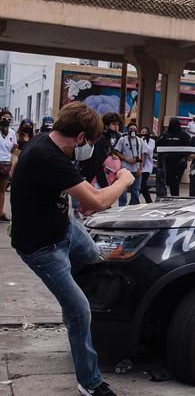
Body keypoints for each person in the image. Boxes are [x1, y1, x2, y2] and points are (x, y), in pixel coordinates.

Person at [10, 101, 134, 396]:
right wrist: (124, 180)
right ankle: (90, 382)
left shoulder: (46, 142)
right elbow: (98, 201)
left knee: (93, 258)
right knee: (79, 309)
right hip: (41, 249)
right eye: (89, 142)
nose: (88, 148)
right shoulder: (48, 157)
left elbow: (17, 169)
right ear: (80, 138)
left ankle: (79, 305)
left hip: (65, 227)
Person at [156, 117, 190, 197]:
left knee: (175, 184)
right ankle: (163, 200)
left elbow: (188, 148)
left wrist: (181, 157)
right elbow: (158, 145)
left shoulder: (184, 135)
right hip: (165, 164)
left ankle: (174, 199)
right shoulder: (165, 135)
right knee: (163, 183)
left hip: (178, 164)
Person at [114, 122, 144, 206]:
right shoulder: (122, 139)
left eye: (134, 129)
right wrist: (127, 159)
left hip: (136, 169)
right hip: (125, 169)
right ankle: (122, 206)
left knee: (136, 190)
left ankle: (134, 206)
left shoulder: (140, 140)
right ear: (128, 130)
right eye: (131, 129)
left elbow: (143, 154)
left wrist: (141, 168)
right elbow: (116, 152)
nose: (133, 131)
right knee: (123, 190)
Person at [0, 117, 17, 221]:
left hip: (6, 163)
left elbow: (14, 147)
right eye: (3, 118)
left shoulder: (12, 133)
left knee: (2, 190)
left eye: (9, 119)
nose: (6, 120)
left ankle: (0, 213)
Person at [139, 126, 155, 203]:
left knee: (141, 183)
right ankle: (149, 201)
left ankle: (134, 200)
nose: (144, 134)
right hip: (139, 166)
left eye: (145, 132)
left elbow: (148, 151)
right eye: (142, 132)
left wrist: (143, 141)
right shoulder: (138, 140)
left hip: (147, 166)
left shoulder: (151, 141)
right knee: (143, 185)